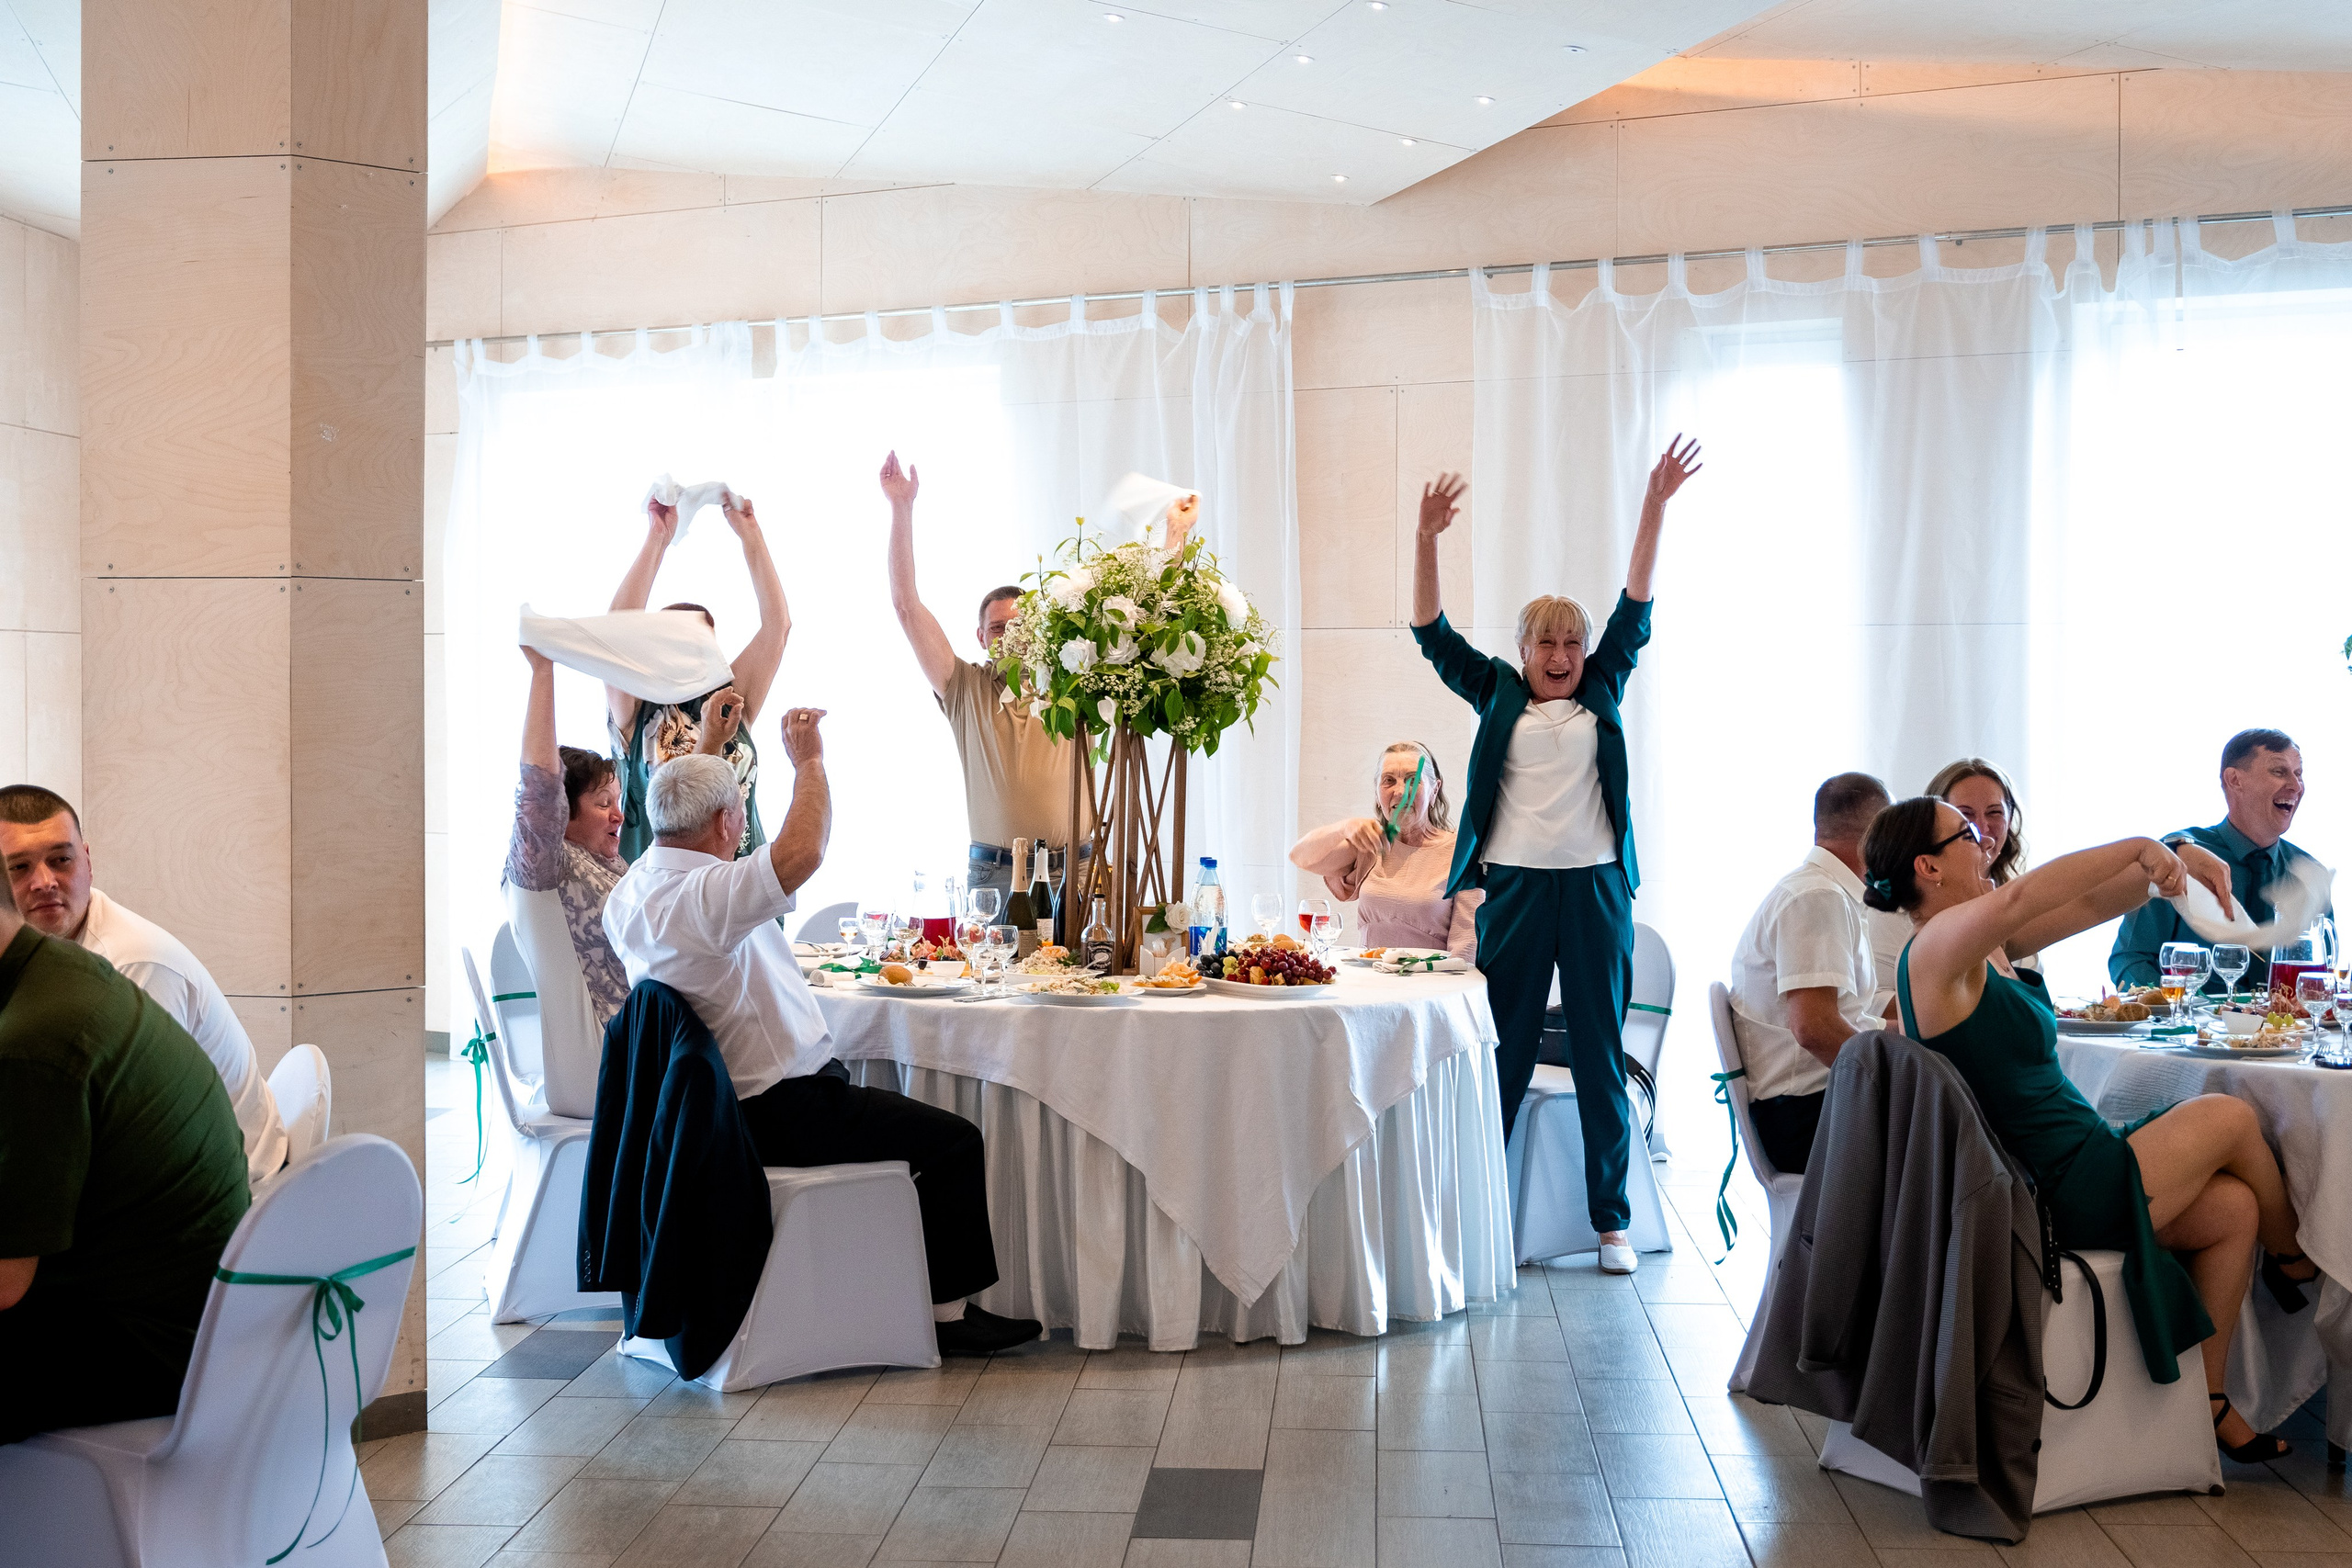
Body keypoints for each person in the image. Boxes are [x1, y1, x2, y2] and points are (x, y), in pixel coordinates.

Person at [1865, 795, 2319, 1461]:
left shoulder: (1980, 947)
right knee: (2231, 1114)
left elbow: (2085, 904)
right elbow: (2023, 897)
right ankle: (2300, 1261)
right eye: (1965, 834)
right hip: (2054, 1185)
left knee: (2232, 1207)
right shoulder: (1935, 948)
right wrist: (2140, 845)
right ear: (1927, 867)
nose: (1986, 839)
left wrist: (2169, 866)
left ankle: (2211, 1401)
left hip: (2080, 1156)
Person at [601, 721, 1042, 1356]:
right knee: (953, 1142)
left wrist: (707, 750)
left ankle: (885, 1289)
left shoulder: (634, 890)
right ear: (726, 823)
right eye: (736, 814)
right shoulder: (708, 896)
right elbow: (803, 850)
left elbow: (684, 818)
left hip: (722, 1109)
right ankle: (949, 1316)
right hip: (780, 1112)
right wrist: (809, 760)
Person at [1408, 435, 1702, 1276]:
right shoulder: (1498, 691)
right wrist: (1426, 538)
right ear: (1525, 650)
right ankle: (1480, 1209)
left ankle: (1611, 1222)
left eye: (1573, 642)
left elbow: (1635, 605)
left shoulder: (1602, 688)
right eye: (1548, 643)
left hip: (1598, 890)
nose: (1564, 657)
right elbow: (1431, 632)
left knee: (1602, 1053)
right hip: (1518, 890)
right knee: (1504, 1048)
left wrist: (1654, 505)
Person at [0, 893, 252, 1442]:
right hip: (197, 1321)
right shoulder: (63, 971)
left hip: (149, 1352)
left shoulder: (30, 1043)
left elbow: (5, 1285)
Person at [882, 452, 1166, 897]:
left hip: (1077, 869)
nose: (1012, 636)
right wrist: (902, 507)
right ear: (981, 637)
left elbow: (1148, 624)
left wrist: (1175, 535)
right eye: (999, 628)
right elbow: (906, 606)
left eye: (1022, 625)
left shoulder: (1076, 681)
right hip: (996, 874)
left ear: (1040, 629)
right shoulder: (964, 688)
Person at [0, 785, 286, 1184]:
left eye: (61, 860)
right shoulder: (41, 949)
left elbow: (135, 1131)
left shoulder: (132, 965)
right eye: (19, 867)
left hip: (232, 1188)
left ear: (87, 862)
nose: (45, 882)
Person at [606, 487, 789, 863]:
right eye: (680, 638)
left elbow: (778, 627)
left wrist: (750, 534)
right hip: (667, 887)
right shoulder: (636, 711)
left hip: (741, 880)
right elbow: (615, 635)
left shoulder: (726, 702)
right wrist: (658, 537)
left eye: (705, 638)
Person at [1725, 773, 1892, 1174]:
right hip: (1803, 1116)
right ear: (1876, 834)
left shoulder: (1823, 891)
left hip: (1812, 1103)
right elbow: (1814, 1029)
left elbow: (1848, 1015)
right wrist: (1892, 1083)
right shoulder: (1818, 897)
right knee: (1958, 1122)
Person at [510, 649, 664, 1031]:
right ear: (562, 813)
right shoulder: (549, 863)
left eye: (617, 802)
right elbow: (540, 787)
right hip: (616, 1040)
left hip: (648, 1025)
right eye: (603, 804)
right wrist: (542, 671)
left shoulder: (609, 862)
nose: (619, 816)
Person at [2110, 728, 2324, 992]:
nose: (2296, 786)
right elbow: (2131, 960)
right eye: (2279, 772)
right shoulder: (2176, 857)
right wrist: (2179, 1005)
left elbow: (2319, 983)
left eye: (2299, 774)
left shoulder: (2309, 874)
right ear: (2234, 779)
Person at [1289, 742, 1482, 961]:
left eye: (1412, 780)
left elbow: (1465, 949)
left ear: (1434, 790)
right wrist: (1343, 828)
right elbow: (1299, 856)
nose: (1400, 792)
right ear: (1377, 793)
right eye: (1389, 780)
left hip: (1429, 979)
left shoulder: (1462, 853)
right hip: (1370, 976)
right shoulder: (1371, 844)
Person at [1926, 757, 2037, 973]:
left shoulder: (2017, 893)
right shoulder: (1908, 906)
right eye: (1965, 814)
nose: (1982, 829)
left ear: (2010, 819)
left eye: (1994, 812)